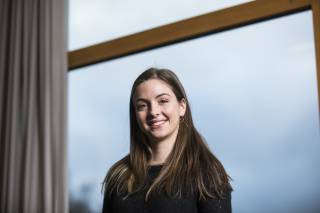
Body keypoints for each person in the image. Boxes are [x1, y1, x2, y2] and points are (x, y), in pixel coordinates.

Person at [102, 68, 232, 213]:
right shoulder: (118, 176)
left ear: (182, 107)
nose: (153, 111)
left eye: (163, 101)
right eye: (142, 106)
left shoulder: (207, 173)